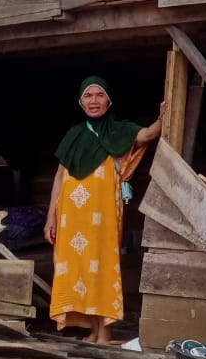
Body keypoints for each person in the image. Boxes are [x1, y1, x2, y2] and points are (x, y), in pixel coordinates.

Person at [43, 76, 163, 343]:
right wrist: (51, 216)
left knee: (101, 266)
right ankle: (93, 329)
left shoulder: (119, 130)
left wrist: (164, 115)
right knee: (78, 269)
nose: (93, 101)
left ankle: (106, 330)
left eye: (99, 95)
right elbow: (60, 177)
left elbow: (147, 135)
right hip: (70, 218)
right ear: (80, 101)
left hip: (102, 214)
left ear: (108, 100)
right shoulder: (74, 134)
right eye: (88, 96)